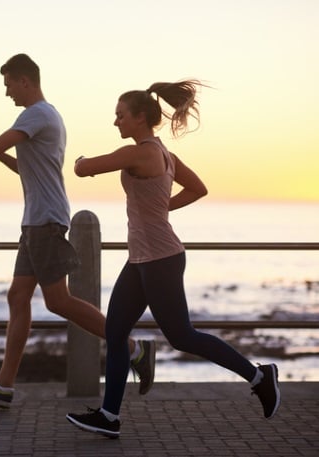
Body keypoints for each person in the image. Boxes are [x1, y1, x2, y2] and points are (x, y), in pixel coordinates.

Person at [66, 80, 281, 438]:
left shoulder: (139, 153)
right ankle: (109, 416)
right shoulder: (164, 154)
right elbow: (198, 189)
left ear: (139, 118)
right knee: (115, 331)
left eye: (120, 116)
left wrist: (77, 160)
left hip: (160, 259)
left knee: (181, 336)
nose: (115, 122)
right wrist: (161, 206)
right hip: (143, 258)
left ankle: (260, 376)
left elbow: (83, 169)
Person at [0, 53, 156, 409]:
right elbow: (27, 168)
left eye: (8, 86)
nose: (7, 94)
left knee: (58, 301)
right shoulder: (46, 118)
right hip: (36, 220)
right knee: (18, 298)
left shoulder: (36, 114)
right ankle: (3, 387)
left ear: (24, 81)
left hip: (46, 221)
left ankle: (134, 349)